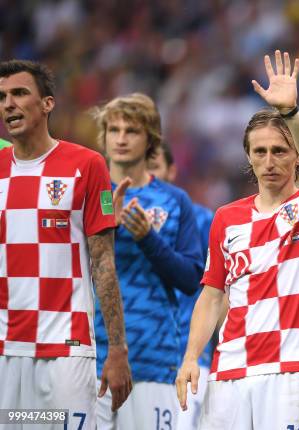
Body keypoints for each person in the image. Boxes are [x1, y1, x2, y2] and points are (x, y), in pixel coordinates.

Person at [175, 50, 299, 429]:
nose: (269, 161)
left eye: (280, 151)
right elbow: (213, 294)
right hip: (230, 366)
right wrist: (190, 357)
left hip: (289, 367)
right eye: (260, 152)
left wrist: (292, 114)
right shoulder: (226, 218)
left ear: (296, 157)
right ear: (248, 158)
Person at [0, 60, 131, 429]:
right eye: (2, 97)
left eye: (20, 93)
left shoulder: (87, 165)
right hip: (5, 351)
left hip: (66, 349)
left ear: (47, 104)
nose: (9, 103)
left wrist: (117, 349)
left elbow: (103, 263)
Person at [92, 93, 203, 429]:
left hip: (154, 358)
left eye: (132, 130)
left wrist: (148, 239)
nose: (121, 138)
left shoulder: (174, 200)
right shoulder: (88, 193)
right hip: (90, 358)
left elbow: (190, 278)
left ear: (151, 139)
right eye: (114, 130)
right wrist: (103, 228)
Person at [147, 142, 215, 430]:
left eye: (154, 167)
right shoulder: (113, 214)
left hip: (187, 360)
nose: (146, 175)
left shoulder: (203, 221)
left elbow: (220, 293)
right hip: (136, 357)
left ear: (172, 171)